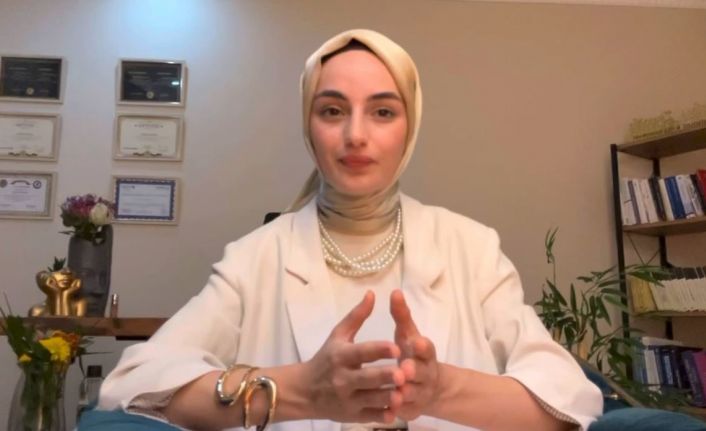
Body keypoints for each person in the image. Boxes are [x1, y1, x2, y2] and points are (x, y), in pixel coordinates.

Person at [96, 29, 603, 431]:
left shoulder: (471, 248)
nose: (355, 134)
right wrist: (298, 391)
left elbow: (569, 396)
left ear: (410, 126)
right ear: (308, 125)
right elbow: (132, 385)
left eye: (383, 111)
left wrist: (441, 390)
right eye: (332, 110)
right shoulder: (256, 257)